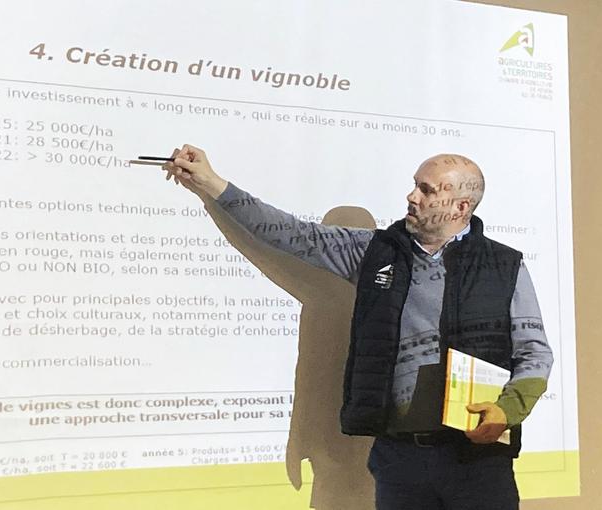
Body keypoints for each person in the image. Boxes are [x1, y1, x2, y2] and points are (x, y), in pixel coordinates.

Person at [163, 145, 553, 510]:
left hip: (478, 462)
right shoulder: (373, 252)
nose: (411, 197)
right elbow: (287, 233)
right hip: (400, 460)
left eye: (426, 189)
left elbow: (534, 352)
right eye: (414, 185)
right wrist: (211, 183)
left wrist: (507, 411)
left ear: (460, 206)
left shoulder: (505, 266)